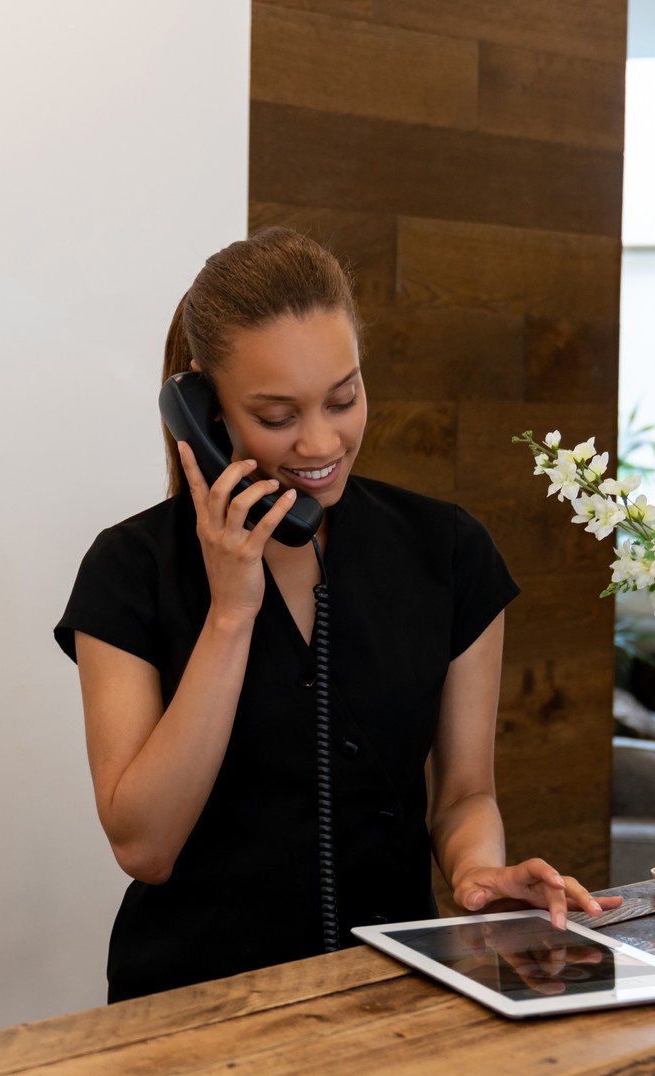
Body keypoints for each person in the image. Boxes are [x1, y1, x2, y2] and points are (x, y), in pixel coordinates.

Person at [53, 228, 623, 1003]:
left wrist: (476, 872)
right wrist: (230, 612)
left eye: (343, 399)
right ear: (204, 413)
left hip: (394, 997)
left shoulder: (448, 552)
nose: (321, 443)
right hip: (190, 1012)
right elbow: (145, 845)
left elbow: (463, 796)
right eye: (278, 415)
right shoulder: (128, 572)